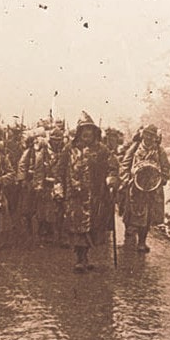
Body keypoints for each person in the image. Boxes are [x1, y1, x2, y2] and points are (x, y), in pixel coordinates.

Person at [61, 112, 112, 272]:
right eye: (84, 130)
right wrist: (58, 187)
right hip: (74, 196)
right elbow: (60, 169)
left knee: (92, 228)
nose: (87, 133)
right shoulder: (69, 149)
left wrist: (112, 178)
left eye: (90, 130)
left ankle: (85, 256)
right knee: (77, 227)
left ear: (94, 132)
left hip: (95, 196)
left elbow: (112, 166)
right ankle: (80, 258)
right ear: (79, 132)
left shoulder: (102, 149)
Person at [119, 124, 170, 253]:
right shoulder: (135, 147)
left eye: (152, 135)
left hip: (152, 187)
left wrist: (163, 178)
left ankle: (142, 241)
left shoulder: (159, 151)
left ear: (155, 137)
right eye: (146, 134)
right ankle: (129, 228)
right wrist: (125, 177)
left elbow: (165, 166)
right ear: (142, 135)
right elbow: (125, 163)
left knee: (147, 216)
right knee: (132, 211)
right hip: (135, 186)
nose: (149, 137)